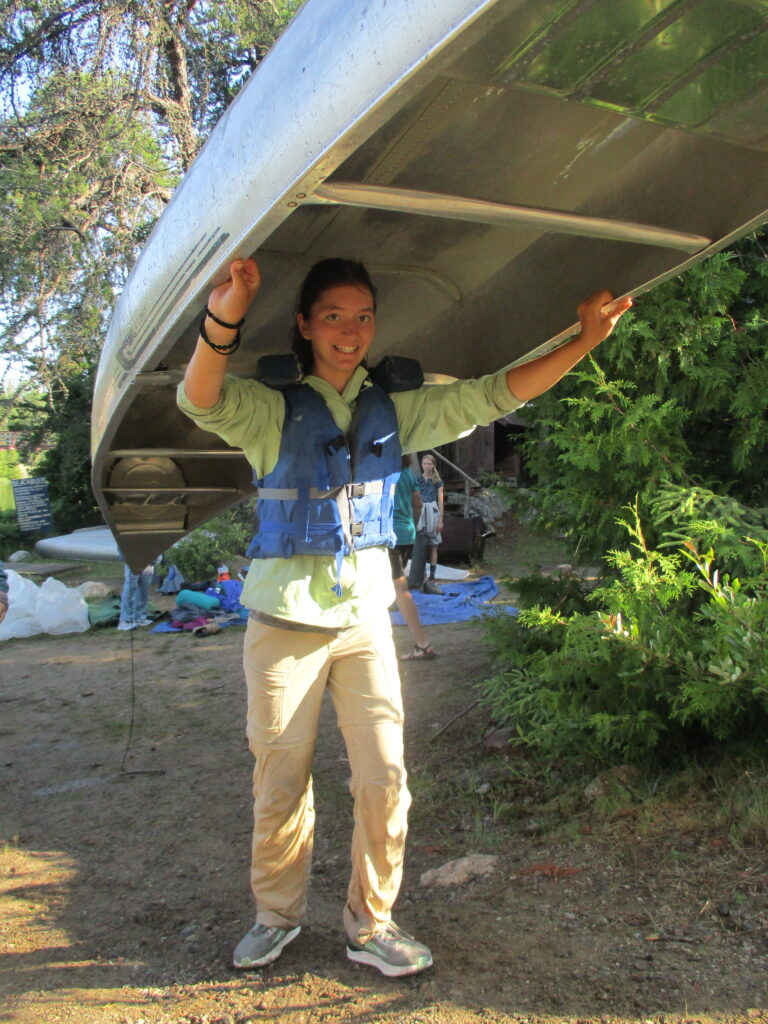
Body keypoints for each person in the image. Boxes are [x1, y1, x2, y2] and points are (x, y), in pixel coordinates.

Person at [177, 255, 630, 978]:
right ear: (304, 325)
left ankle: (372, 923)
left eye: (362, 317)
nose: (349, 331)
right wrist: (225, 313)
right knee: (280, 782)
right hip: (284, 627)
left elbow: (493, 395)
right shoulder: (269, 408)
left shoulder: (397, 408)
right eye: (332, 316)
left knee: (386, 777)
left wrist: (583, 342)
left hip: (363, 625)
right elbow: (199, 398)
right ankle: (276, 915)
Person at [389, 457, 436, 661]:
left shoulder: (381, 472)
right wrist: (414, 527)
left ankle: (422, 644)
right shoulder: (408, 473)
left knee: (400, 590)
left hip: (389, 536)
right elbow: (417, 505)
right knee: (395, 589)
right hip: (407, 534)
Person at [412, 452, 444, 595]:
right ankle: (421, 575)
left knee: (433, 545)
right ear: (422, 465)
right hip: (421, 512)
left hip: (433, 511)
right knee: (420, 544)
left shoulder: (437, 481)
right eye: (425, 464)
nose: (427, 466)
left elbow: (441, 501)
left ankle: (432, 577)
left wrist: (440, 520)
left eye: (429, 464)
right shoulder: (418, 480)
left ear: (433, 465)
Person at [118, 561, 155, 630]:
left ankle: (140, 617)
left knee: (144, 588)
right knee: (130, 589)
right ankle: (126, 620)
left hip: (148, 560)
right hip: (132, 559)